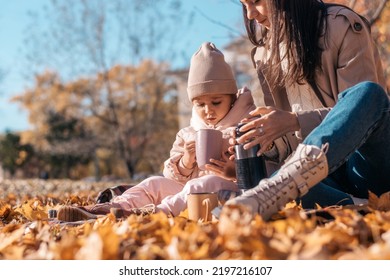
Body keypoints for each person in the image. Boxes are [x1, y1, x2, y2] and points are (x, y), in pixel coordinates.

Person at [56, 42, 268, 222]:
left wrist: (235, 171)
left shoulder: (247, 125)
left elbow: (269, 167)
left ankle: (151, 215)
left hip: (230, 194)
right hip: (187, 196)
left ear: (232, 99)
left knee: (202, 184)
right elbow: (170, 175)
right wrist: (186, 161)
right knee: (153, 182)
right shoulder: (188, 133)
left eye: (216, 102)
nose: (208, 110)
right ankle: (108, 210)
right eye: (200, 104)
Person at [222, 0, 390, 221]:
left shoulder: (341, 25)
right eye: (244, 5)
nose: (251, 14)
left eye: (256, 1)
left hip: (369, 165)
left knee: (369, 93)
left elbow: (361, 116)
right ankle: (360, 208)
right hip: (324, 177)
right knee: (282, 182)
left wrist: (294, 121)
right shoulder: (265, 55)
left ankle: (290, 183)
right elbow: (289, 144)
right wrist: (263, 139)